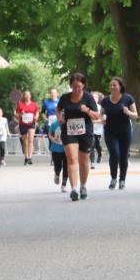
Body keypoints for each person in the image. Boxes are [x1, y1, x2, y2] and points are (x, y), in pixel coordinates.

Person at [56, 72, 100, 201]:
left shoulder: (88, 98)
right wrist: (59, 118)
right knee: (72, 159)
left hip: (85, 132)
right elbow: (58, 109)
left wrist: (87, 110)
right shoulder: (64, 98)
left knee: (84, 162)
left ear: (83, 85)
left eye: (79, 87)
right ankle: (74, 188)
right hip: (69, 132)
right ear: (71, 85)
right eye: (74, 86)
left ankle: (83, 186)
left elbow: (96, 116)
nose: (76, 89)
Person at [101, 76, 137, 190]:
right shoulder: (106, 100)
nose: (112, 87)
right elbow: (100, 114)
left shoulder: (128, 98)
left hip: (124, 131)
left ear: (120, 86)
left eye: (115, 85)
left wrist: (128, 112)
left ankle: (122, 180)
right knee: (114, 154)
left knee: (123, 156)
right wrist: (102, 118)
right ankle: (113, 178)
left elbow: (135, 115)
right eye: (111, 85)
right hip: (110, 132)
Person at [15, 90, 39, 164]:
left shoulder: (34, 104)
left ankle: (30, 157)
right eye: (26, 95)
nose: (27, 96)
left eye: (28, 95)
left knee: (31, 140)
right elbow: (17, 115)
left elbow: (37, 112)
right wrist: (21, 114)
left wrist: (36, 117)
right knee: (25, 142)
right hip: (23, 124)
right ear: (24, 96)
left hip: (31, 123)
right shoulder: (20, 105)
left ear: (30, 96)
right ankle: (26, 157)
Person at [48, 113, 67, 191]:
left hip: (66, 149)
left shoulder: (68, 124)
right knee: (58, 166)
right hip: (56, 148)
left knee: (67, 167)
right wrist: (53, 139)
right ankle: (57, 173)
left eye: (64, 116)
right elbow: (49, 134)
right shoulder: (54, 124)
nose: (62, 118)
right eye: (61, 116)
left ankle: (64, 184)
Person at [90, 91, 104, 167]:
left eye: (95, 97)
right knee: (91, 145)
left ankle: (100, 154)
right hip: (90, 129)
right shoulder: (88, 107)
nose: (94, 99)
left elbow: (102, 120)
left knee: (97, 145)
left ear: (98, 99)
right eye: (92, 97)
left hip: (98, 129)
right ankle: (92, 162)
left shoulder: (100, 108)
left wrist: (94, 121)